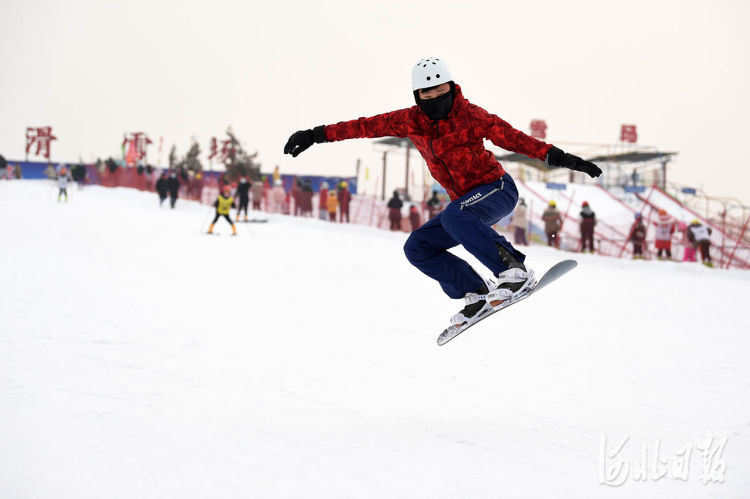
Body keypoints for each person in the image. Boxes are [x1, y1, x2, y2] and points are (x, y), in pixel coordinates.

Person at [283, 57, 601, 328]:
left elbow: (516, 140)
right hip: (464, 208)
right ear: (418, 95)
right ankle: (475, 292)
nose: (436, 96)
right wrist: (314, 135)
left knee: (455, 215)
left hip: (497, 189)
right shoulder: (409, 121)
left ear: (451, 86)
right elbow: (363, 126)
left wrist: (564, 159)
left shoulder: (471, 116)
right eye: (428, 91)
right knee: (417, 246)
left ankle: (513, 269)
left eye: (441, 88)